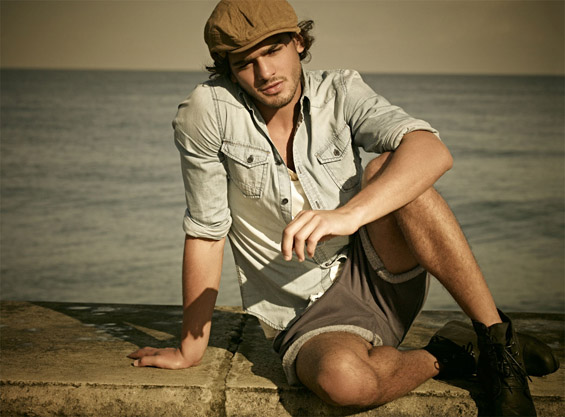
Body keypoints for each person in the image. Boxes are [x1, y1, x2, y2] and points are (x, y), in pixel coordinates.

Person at [129, 1, 548, 415]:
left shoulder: (340, 91)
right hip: (305, 315)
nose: (265, 73)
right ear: (229, 69)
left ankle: (497, 343)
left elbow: (432, 150)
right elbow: (206, 231)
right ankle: (451, 352)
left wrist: (349, 215)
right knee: (343, 383)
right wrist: (190, 348)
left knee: (392, 167)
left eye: (273, 50)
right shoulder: (208, 112)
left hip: (379, 273)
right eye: (245, 63)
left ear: (298, 41)